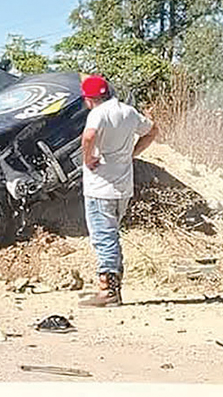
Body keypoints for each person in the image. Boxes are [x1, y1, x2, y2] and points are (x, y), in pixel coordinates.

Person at [77, 74, 158, 308]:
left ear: (89, 99)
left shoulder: (97, 113)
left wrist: (88, 157)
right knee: (111, 235)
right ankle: (113, 287)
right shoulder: (128, 112)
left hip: (100, 187)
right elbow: (152, 131)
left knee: (103, 237)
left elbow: (89, 136)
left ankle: (108, 290)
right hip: (123, 187)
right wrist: (133, 153)